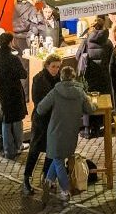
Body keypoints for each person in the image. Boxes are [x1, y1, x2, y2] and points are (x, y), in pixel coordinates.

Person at [37, 63, 93, 203]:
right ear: (73, 78)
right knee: (58, 158)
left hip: (56, 131)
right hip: (71, 132)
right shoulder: (80, 93)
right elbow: (90, 109)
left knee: (58, 160)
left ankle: (65, 190)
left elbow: (40, 109)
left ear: (61, 78)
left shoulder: (55, 92)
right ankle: (48, 181)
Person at [22, 52, 63, 195]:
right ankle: (26, 178)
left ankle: (47, 176)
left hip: (54, 120)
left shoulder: (59, 79)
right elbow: (38, 101)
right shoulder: (38, 79)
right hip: (41, 121)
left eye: (58, 67)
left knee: (51, 150)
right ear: (47, 65)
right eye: (53, 67)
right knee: (35, 150)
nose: (56, 70)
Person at [0, 32, 29, 159]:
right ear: (10, 42)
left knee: (6, 120)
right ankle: (18, 145)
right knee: (17, 119)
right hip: (14, 92)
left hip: (2, 92)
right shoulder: (13, 58)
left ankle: (8, 149)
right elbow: (23, 74)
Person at [77, 15, 114, 134]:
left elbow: (78, 56)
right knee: (102, 101)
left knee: (89, 100)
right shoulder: (107, 43)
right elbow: (112, 59)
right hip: (103, 76)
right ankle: (99, 127)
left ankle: (88, 129)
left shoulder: (86, 41)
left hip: (90, 76)